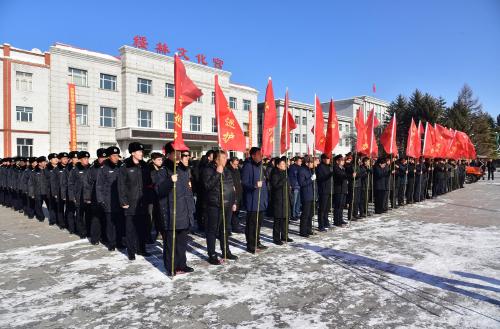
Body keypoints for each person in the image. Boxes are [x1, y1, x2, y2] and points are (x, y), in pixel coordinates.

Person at [153, 142, 195, 276]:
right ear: (169, 154)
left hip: (184, 212)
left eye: (179, 153)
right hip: (171, 212)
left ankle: (182, 264)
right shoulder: (162, 171)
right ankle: (170, 267)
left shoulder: (183, 170)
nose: (178, 156)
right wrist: (170, 181)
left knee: (182, 243)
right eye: (175, 153)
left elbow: (188, 191)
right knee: (171, 243)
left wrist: (191, 210)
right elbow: (159, 191)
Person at [202, 150, 238, 264]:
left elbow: (231, 187)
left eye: (226, 157)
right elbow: (207, 186)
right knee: (212, 230)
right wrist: (217, 173)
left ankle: (226, 250)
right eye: (223, 158)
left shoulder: (227, 170)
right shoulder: (208, 170)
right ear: (217, 159)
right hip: (214, 204)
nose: (226, 160)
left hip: (227, 204)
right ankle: (212, 254)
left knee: (225, 229)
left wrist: (234, 201)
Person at [117, 142, 150, 260]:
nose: (142, 153)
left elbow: (148, 183)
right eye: (139, 152)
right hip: (130, 203)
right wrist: (123, 201)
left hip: (142, 202)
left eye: (142, 151)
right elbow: (121, 186)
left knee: (142, 227)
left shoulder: (144, 165)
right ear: (132, 153)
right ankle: (131, 252)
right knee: (130, 229)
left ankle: (141, 249)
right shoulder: (125, 166)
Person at [241, 147, 268, 253]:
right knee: (252, 224)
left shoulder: (261, 166)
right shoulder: (248, 166)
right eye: (258, 154)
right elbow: (244, 183)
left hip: (261, 200)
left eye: (261, 153)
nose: (261, 155)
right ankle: (250, 244)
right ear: (253, 156)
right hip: (252, 201)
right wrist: (254, 186)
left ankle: (257, 241)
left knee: (259, 224)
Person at [96, 146, 122, 251]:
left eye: (117, 155)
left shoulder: (121, 167)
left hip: (120, 201)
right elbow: (99, 186)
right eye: (114, 155)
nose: (116, 158)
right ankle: (111, 243)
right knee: (110, 223)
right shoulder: (103, 169)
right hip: (108, 201)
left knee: (120, 223)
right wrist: (101, 200)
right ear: (109, 157)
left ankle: (119, 242)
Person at [84, 148, 107, 245]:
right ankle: (95, 238)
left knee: (106, 218)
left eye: (105, 157)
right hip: (95, 197)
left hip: (107, 197)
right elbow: (87, 184)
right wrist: (88, 197)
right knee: (96, 218)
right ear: (98, 158)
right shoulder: (92, 169)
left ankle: (105, 237)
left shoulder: (109, 167)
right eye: (102, 157)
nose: (104, 159)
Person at [270, 156, 293, 244]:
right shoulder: (275, 173)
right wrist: (283, 180)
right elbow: (275, 186)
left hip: (286, 198)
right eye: (282, 164)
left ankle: (284, 236)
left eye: (285, 164)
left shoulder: (285, 173)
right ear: (277, 165)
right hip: (278, 200)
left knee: (285, 219)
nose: (284, 165)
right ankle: (276, 238)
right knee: (278, 220)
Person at [68, 151, 91, 238]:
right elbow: (70, 184)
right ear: (80, 159)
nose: (86, 160)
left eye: (87, 158)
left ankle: (89, 231)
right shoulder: (75, 170)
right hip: (78, 197)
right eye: (84, 158)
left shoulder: (91, 168)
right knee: (80, 215)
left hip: (89, 197)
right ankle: (81, 232)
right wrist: (72, 196)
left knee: (89, 215)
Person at [298, 155, 315, 236]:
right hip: (306, 195)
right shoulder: (302, 170)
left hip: (311, 194)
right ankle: (303, 231)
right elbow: (302, 183)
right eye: (311, 162)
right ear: (307, 163)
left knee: (310, 214)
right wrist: (310, 179)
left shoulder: (309, 170)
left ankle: (309, 229)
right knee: (305, 214)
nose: (312, 164)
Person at [28, 156, 49, 222]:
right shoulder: (34, 172)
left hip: (47, 192)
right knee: (38, 206)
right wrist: (31, 193)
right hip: (38, 192)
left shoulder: (47, 170)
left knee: (50, 206)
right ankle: (40, 217)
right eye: (44, 162)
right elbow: (30, 183)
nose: (45, 163)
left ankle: (53, 218)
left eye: (45, 161)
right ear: (39, 163)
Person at [51, 152, 69, 229]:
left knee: (69, 209)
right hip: (59, 192)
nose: (66, 160)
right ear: (60, 159)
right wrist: (54, 193)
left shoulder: (70, 168)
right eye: (64, 158)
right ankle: (61, 223)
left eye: (67, 158)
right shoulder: (56, 169)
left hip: (68, 192)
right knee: (60, 208)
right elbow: (53, 182)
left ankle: (68, 222)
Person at [226, 156, 243, 234]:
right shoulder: (228, 170)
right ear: (231, 163)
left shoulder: (237, 170)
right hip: (231, 193)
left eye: (237, 164)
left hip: (238, 193)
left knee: (236, 211)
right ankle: (228, 228)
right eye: (235, 164)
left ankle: (235, 226)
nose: (236, 166)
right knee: (230, 212)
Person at [316, 154, 333, 230]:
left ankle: (326, 222)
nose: (328, 160)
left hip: (329, 190)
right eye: (326, 159)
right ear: (323, 159)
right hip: (323, 190)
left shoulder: (329, 166)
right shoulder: (320, 167)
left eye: (329, 159)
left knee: (327, 208)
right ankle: (321, 224)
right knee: (322, 209)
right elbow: (321, 178)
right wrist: (330, 174)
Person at [332, 155, 348, 226]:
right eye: (341, 160)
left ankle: (340, 219)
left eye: (343, 160)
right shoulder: (336, 168)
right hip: (338, 189)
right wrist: (349, 175)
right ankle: (336, 220)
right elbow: (340, 176)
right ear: (337, 161)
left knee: (341, 206)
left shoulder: (343, 168)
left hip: (343, 189)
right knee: (338, 206)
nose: (343, 161)